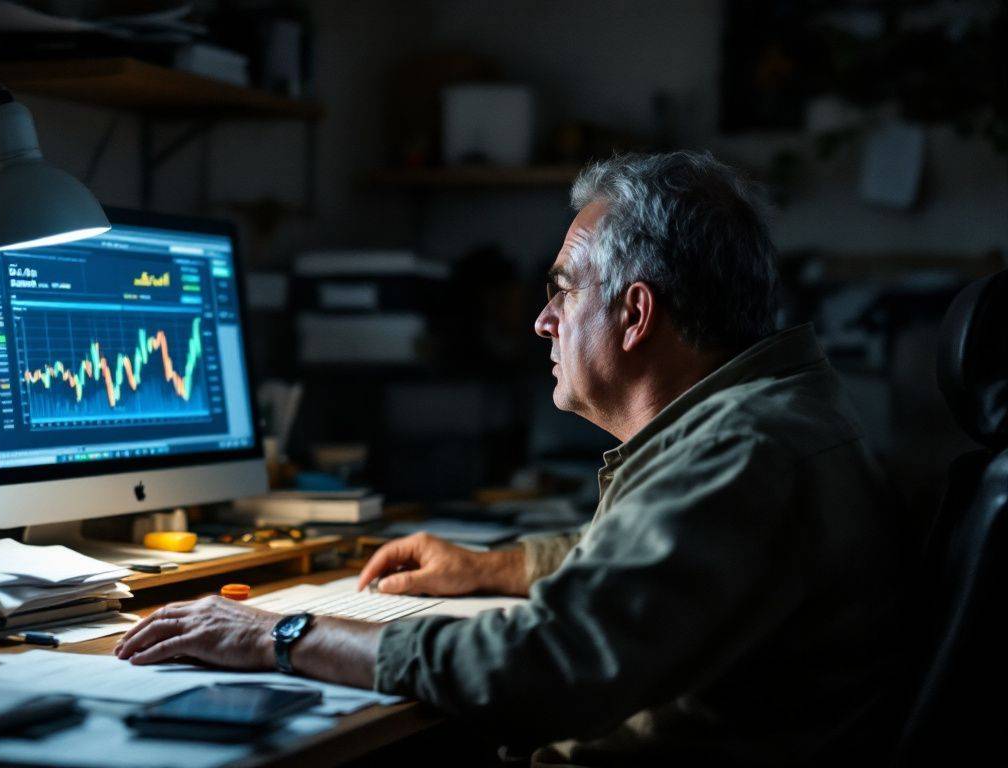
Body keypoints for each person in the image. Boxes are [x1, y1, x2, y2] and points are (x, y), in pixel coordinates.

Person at [115, 151, 905, 764]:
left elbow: (545, 666)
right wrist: (493, 569)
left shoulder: (743, 452)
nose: (541, 321)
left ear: (635, 314)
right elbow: (661, 557)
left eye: (562, 291)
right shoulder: (773, 415)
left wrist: (280, 635)